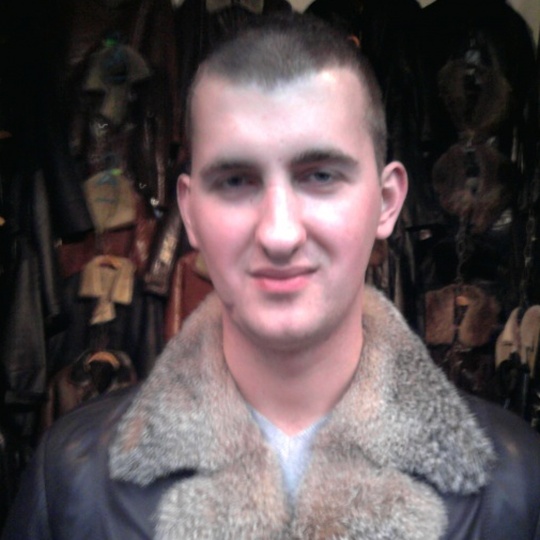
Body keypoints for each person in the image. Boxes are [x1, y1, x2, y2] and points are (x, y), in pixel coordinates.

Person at [3, 13, 540, 540]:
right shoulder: (72, 479)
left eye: (320, 176)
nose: (279, 234)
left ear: (386, 202)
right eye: (236, 181)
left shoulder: (515, 486)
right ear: (190, 214)